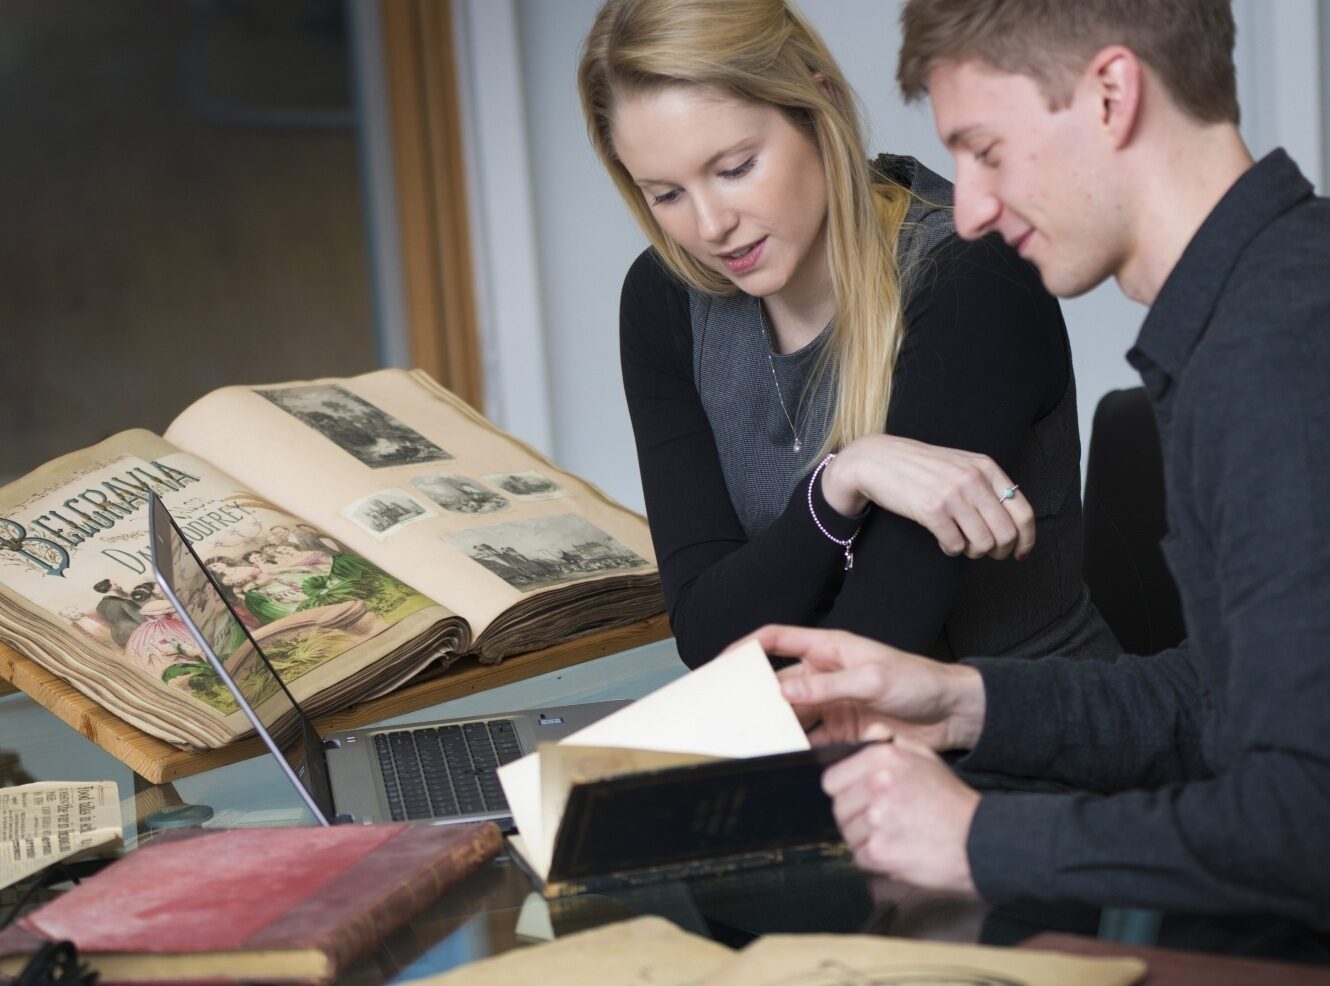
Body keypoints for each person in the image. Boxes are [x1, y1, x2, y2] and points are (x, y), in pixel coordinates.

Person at [766, 0, 1330, 929]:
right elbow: (1229, 704)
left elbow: (1306, 819)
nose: (974, 211)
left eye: (986, 149)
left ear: (1111, 93)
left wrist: (978, 840)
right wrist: (962, 701)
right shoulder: (1256, 310)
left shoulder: (1280, 353)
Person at [577, 0, 1118, 670]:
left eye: (736, 167)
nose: (710, 226)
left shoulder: (970, 275)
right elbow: (705, 633)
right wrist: (841, 482)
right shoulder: (664, 298)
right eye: (666, 195)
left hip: (1022, 737)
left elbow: (878, 643)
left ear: (817, 106)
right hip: (814, 735)